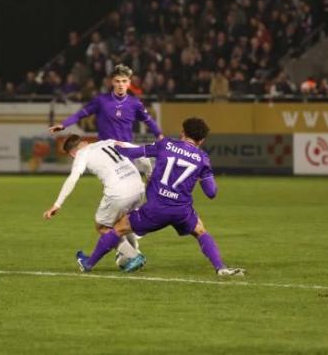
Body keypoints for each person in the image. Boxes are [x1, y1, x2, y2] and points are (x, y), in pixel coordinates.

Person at [75, 117, 245, 276]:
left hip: (155, 209)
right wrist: (203, 175)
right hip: (181, 211)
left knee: (118, 228)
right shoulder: (203, 159)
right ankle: (220, 268)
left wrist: (116, 146)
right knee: (200, 231)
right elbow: (211, 193)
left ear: (183, 133)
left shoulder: (166, 144)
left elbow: (136, 152)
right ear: (202, 140)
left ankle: (89, 264)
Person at [42, 135, 147, 272]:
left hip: (119, 192)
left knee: (102, 227)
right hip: (139, 188)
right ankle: (134, 252)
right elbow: (142, 152)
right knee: (123, 221)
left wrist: (57, 204)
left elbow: (73, 178)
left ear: (73, 153)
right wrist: (149, 175)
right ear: (85, 142)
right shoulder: (109, 141)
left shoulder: (81, 154)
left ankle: (133, 256)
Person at [48, 64, 163, 178]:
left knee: (130, 189)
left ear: (129, 83)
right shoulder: (101, 101)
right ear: (112, 82)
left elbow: (149, 121)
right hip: (106, 154)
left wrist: (160, 136)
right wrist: (64, 124)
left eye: (124, 81)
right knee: (116, 189)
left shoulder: (135, 103)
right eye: (117, 81)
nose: (121, 84)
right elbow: (80, 115)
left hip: (127, 155)